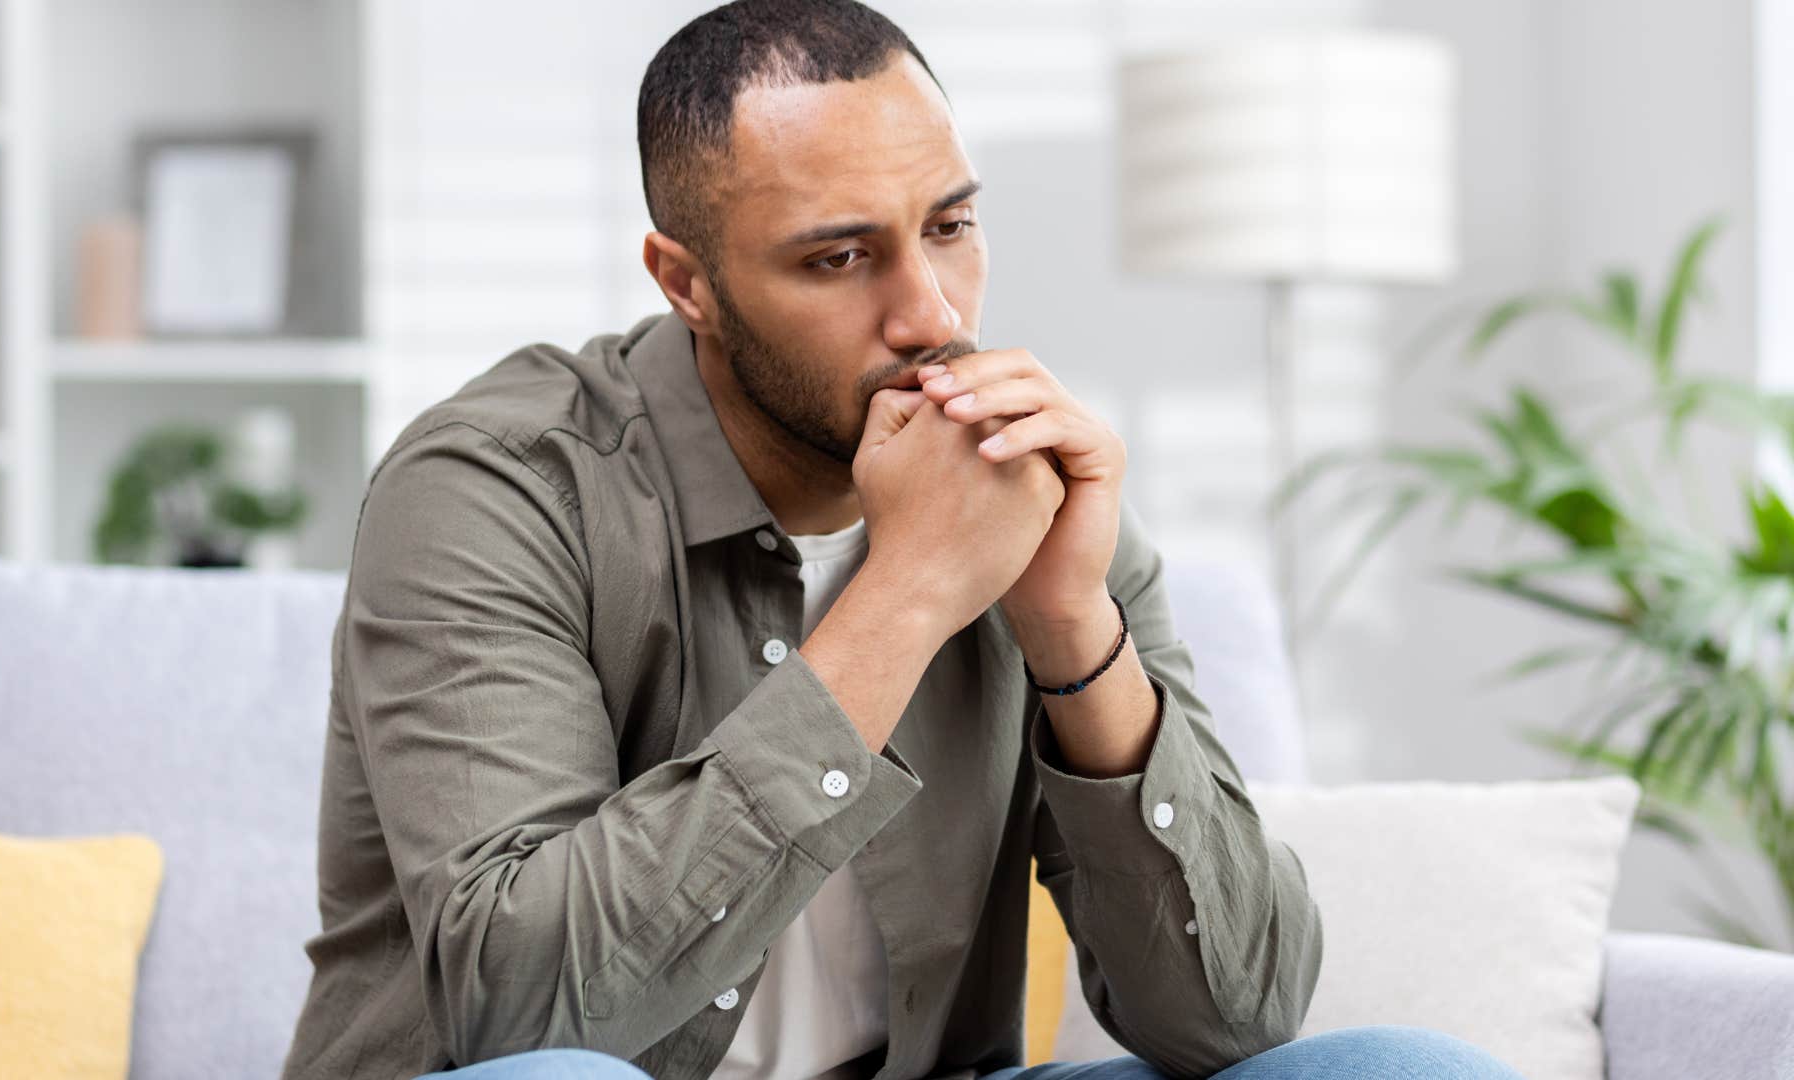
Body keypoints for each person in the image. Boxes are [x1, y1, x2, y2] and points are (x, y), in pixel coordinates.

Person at [280, 2, 1528, 1079]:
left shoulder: (1028, 484)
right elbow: (527, 1009)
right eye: (839, 257)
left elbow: (1236, 1021)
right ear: (686, 280)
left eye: (949, 226)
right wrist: (914, 590)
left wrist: (1069, 627)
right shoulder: (498, 486)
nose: (930, 314)